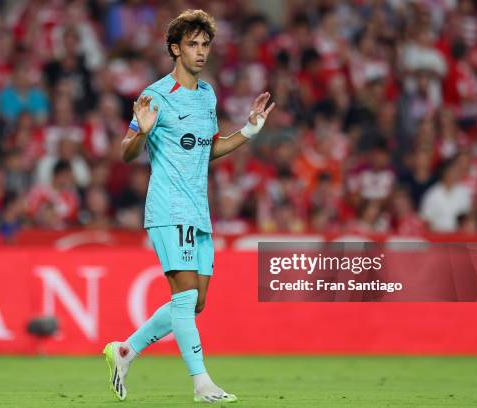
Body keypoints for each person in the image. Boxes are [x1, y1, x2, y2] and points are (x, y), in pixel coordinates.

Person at [103, 9, 274, 404]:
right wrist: (140, 135)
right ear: (174, 49)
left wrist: (248, 130)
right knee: (183, 299)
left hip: (199, 209)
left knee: (196, 302)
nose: (200, 52)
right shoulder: (156, 96)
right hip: (168, 207)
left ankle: (124, 351)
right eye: (192, 45)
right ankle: (202, 384)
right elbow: (125, 153)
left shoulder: (208, 95)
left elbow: (208, 149)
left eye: (205, 44)